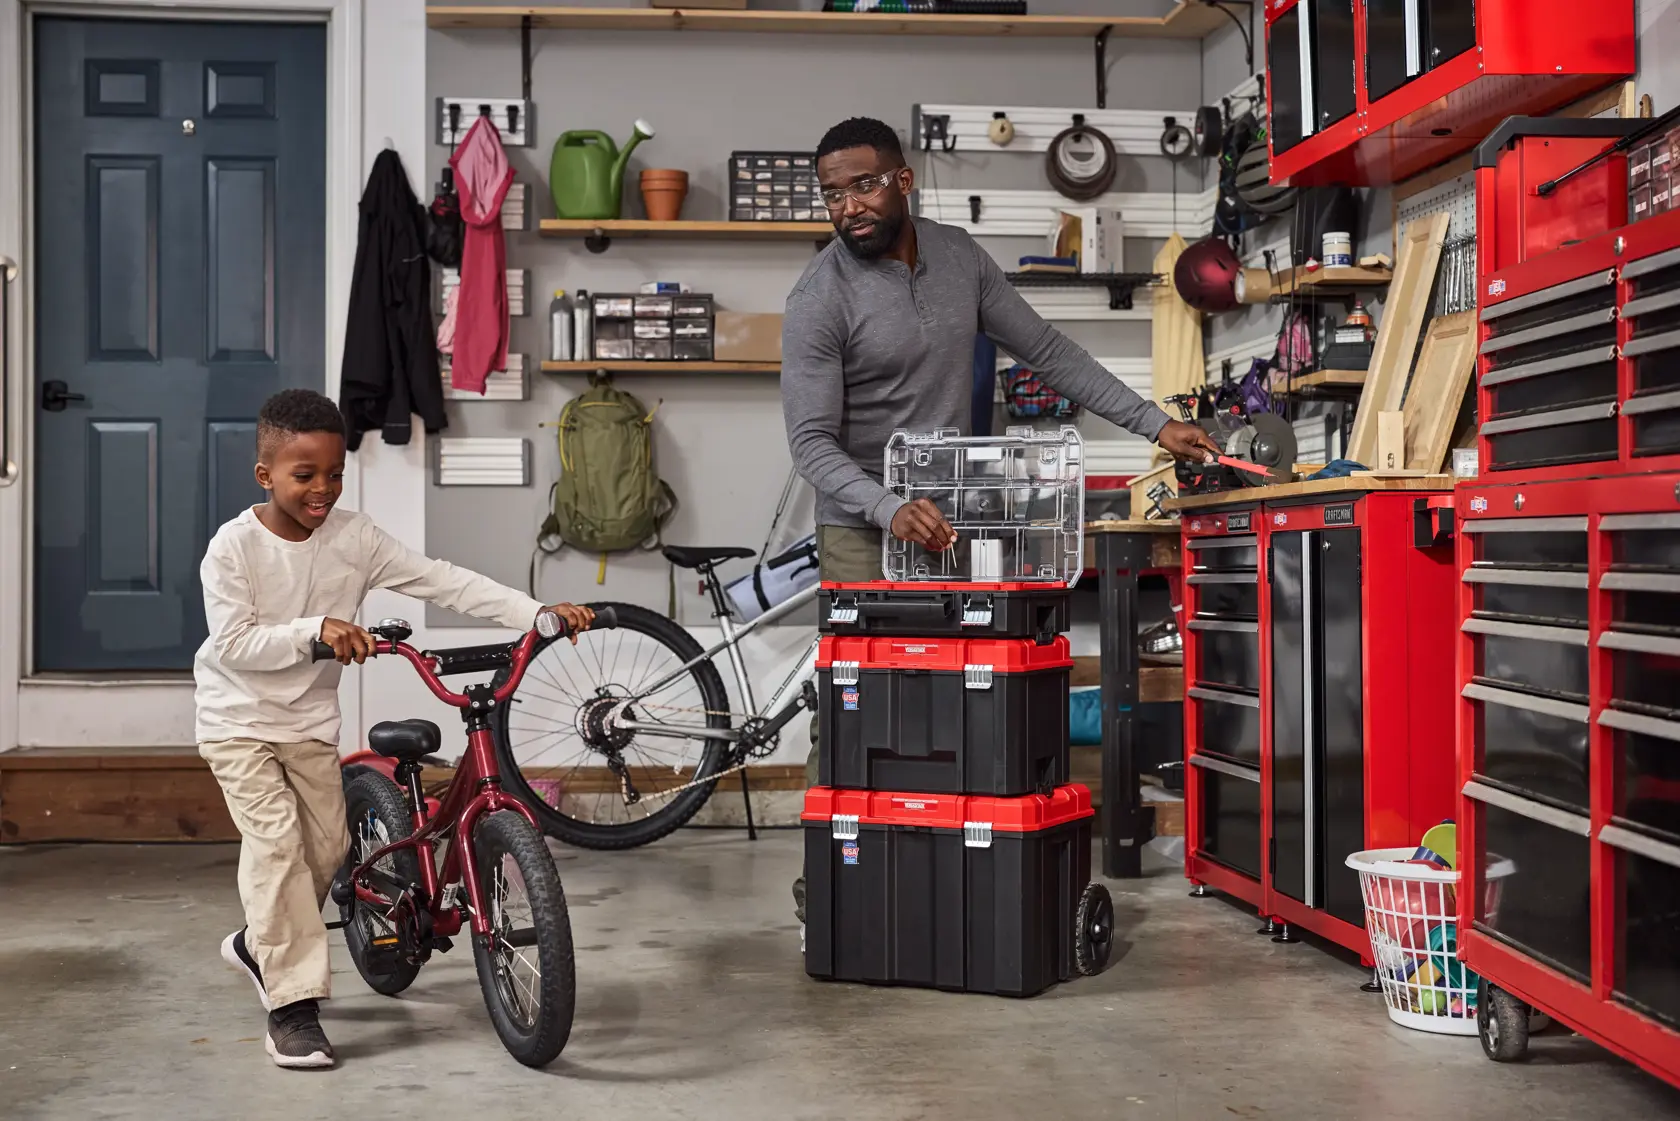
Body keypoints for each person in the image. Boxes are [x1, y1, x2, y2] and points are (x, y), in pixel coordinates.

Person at [781, 117, 1221, 926]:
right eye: (833, 193)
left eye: (864, 184)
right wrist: (886, 506)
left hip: (953, 526)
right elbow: (810, 441)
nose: (848, 207)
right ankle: (833, 876)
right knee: (859, 707)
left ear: (903, 181)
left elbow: (1052, 352)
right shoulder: (820, 297)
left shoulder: (960, 261)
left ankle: (946, 862)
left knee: (957, 696)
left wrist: (1155, 424)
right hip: (863, 530)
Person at [196, 388, 593, 1069]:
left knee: (328, 849)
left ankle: (258, 942)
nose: (322, 488)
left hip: (309, 723)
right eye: (303, 475)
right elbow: (234, 644)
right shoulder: (234, 549)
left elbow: (440, 579)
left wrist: (534, 613)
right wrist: (314, 629)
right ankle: (292, 1009)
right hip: (238, 721)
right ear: (265, 475)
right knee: (277, 847)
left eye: (334, 472)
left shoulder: (354, 538)